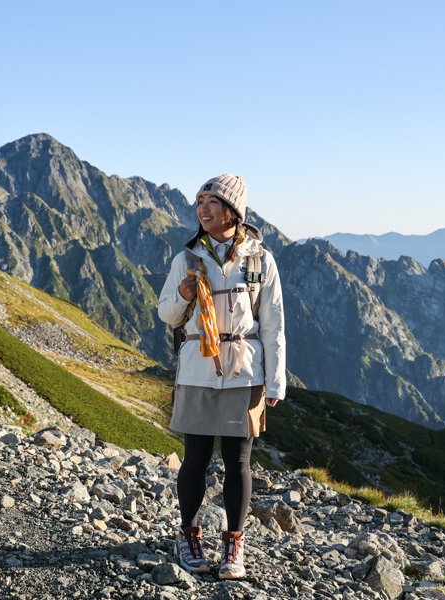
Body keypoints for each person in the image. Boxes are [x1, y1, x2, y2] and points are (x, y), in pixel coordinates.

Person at [157, 173, 286, 579]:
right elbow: (166, 314)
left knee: (239, 461)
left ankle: (234, 544)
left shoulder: (260, 260)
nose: (203, 209)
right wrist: (182, 295)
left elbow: (274, 322)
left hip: (244, 371)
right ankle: (189, 535)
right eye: (199, 203)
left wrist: (276, 380)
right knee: (195, 458)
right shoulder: (187, 258)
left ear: (234, 210)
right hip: (198, 368)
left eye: (211, 202)